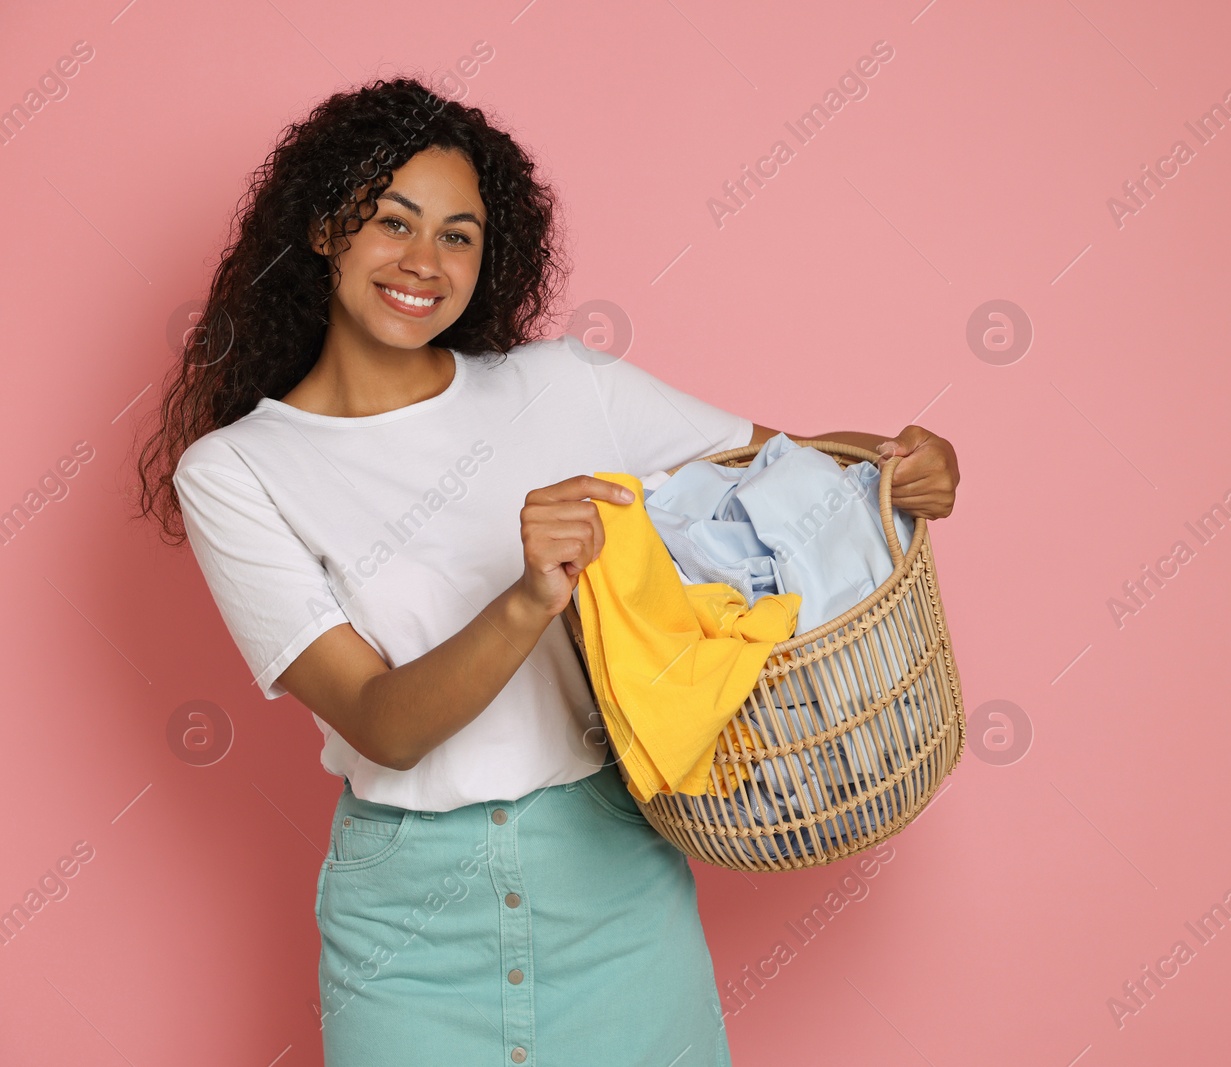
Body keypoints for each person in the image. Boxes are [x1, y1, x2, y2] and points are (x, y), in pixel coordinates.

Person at [132, 76, 959, 1066]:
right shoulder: (237, 470)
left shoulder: (565, 386)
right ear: (323, 230)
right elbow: (383, 722)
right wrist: (530, 595)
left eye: (457, 235)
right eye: (391, 222)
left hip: (612, 874)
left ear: (492, 255)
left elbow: (790, 474)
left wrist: (906, 463)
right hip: (407, 926)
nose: (422, 262)